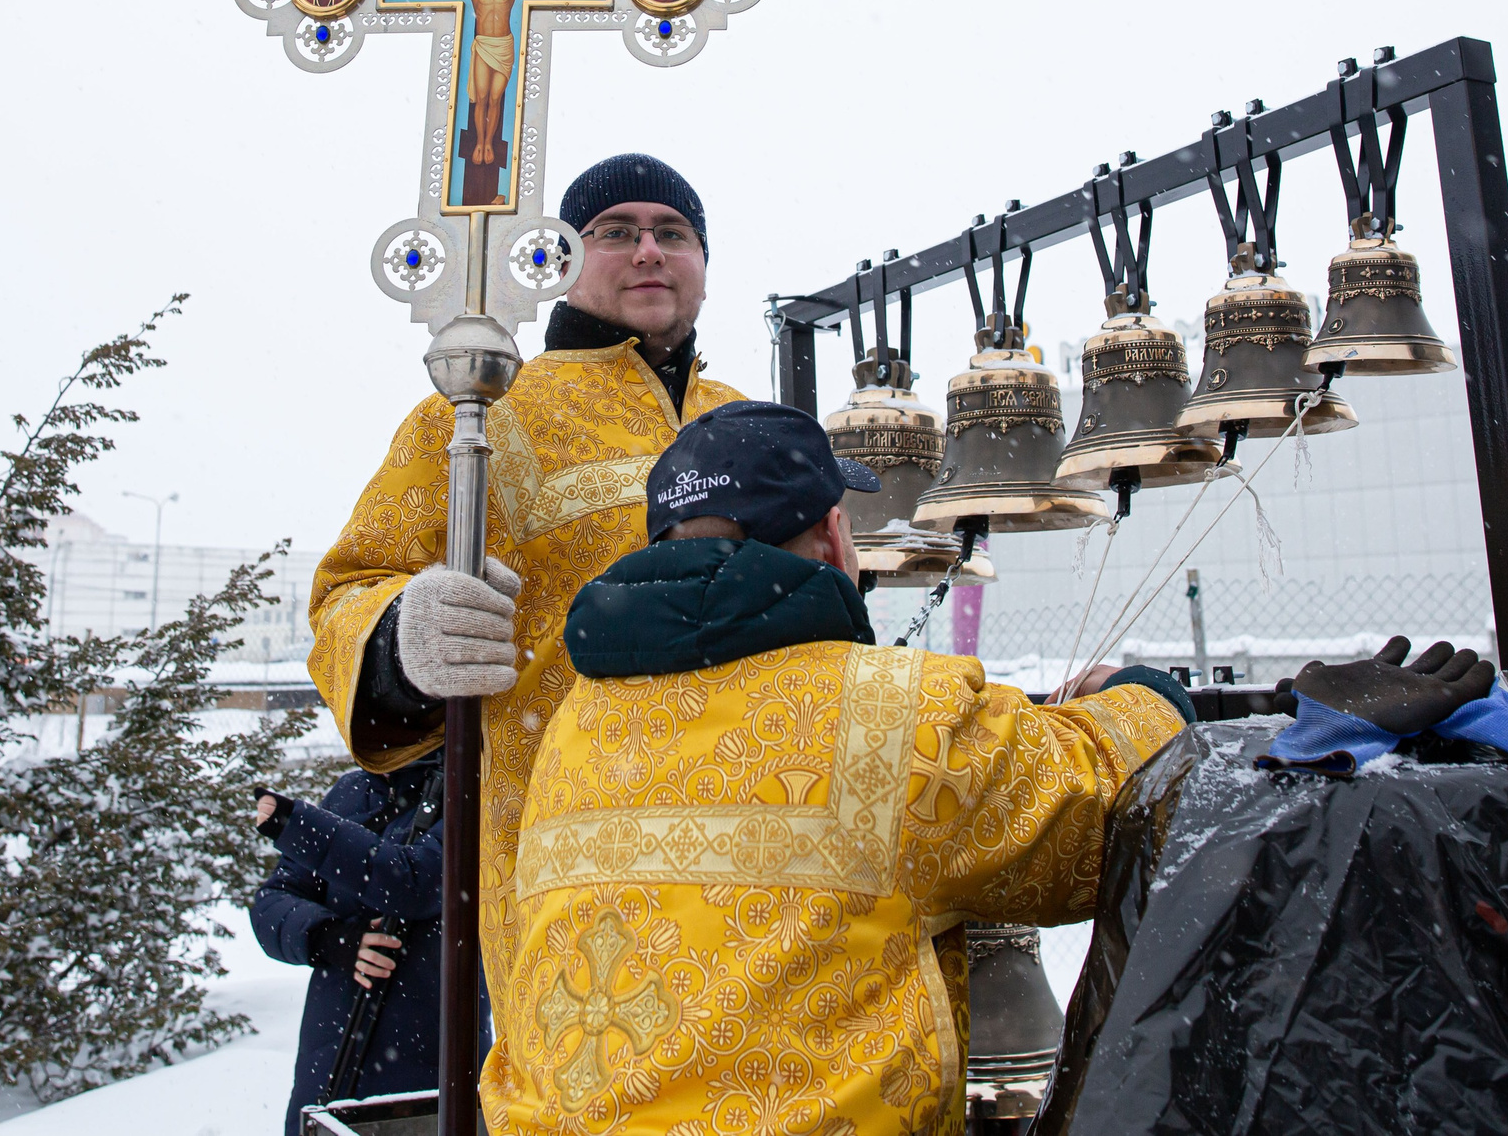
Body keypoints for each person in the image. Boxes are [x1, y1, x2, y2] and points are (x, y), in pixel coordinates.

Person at [479, 399, 1199, 1134]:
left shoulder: (574, 728)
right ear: (833, 537)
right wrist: (1139, 696)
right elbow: (1105, 808)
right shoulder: (896, 717)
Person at [305, 155, 741, 1013]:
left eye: (673, 233)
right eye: (617, 232)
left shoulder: (741, 418)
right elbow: (347, 590)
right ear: (561, 261)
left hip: (759, 840)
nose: (649, 250)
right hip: (565, 852)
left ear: (702, 261)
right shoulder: (480, 411)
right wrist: (404, 636)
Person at [251, 752, 454, 1132]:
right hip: (326, 1069)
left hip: (425, 1082)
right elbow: (270, 903)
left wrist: (297, 825)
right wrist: (329, 937)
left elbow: (415, 881)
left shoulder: (469, 789)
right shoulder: (350, 791)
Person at [395, 0, 602, 165]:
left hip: (504, 46)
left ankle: (489, 143)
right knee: (482, 98)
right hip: (485, 45)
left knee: (496, 99)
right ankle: (479, 142)